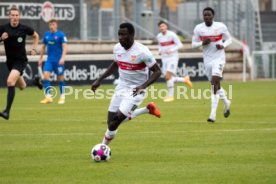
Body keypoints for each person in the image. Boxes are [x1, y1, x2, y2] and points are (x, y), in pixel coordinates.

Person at [91, 22, 162, 145]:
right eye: (119, 35)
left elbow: (157, 71)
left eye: (124, 35)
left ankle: (103, 147)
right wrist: (99, 79)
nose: (120, 38)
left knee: (115, 122)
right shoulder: (117, 48)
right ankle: (147, 110)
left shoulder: (142, 51)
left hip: (136, 90)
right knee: (111, 122)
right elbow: (115, 64)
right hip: (121, 87)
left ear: (132, 35)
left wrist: (142, 86)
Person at [191, 7, 232, 122]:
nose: (207, 17)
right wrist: (201, 43)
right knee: (216, 85)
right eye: (205, 15)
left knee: (214, 83)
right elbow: (193, 44)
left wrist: (223, 45)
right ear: (203, 16)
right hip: (207, 60)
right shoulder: (198, 28)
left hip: (219, 58)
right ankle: (226, 102)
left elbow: (230, 40)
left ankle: (212, 114)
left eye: (209, 15)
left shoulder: (220, 26)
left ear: (213, 16)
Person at [0, 6, 39, 120]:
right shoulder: (3, 28)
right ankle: (35, 81)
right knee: (22, 86)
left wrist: (34, 49)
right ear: (9, 17)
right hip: (10, 62)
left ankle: (7, 111)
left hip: (21, 61)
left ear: (19, 17)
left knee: (10, 81)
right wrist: (1, 38)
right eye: (12, 15)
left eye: (16, 15)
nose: (14, 17)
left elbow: (35, 36)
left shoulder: (24, 28)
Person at [157, 21, 193, 102]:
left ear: (166, 27)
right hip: (164, 59)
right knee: (168, 78)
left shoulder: (172, 34)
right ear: (159, 28)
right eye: (160, 26)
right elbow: (160, 45)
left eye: (163, 26)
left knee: (167, 76)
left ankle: (171, 96)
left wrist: (172, 50)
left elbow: (180, 45)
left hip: (173, 58)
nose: (162, 27)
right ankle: (185, 80)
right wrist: (159, 51)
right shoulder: (159, 36)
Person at [39, 19, 68, 104]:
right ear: (49, 25)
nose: (52, 26)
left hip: (58, 61)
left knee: (60, 79)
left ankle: (62, 96)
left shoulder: (60, 34)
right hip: (49, 60)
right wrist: (40, 58)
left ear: (56, 25)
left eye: (53, 24)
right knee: (45, 77)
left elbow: (65, 47)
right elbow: (43, 47)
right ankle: (48, 97)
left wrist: (63, 58)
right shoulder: (46, 35)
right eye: (50, 24)